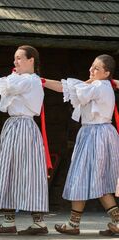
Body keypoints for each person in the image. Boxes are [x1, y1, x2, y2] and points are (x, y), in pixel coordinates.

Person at [0, 45, 49, 235]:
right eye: (15, 58)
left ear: (31, 60)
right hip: (13, 127)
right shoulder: (18, 80)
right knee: (7, 170)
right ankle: (8, 221)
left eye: (19, 58)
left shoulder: (30, 80)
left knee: (28, 173)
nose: (15, 62)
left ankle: (38, 223)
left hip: (25, 127)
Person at [44, 54, 119, 236]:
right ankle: (114, 221)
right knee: (95, 180)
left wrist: (43, 82)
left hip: (95, 134)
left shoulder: (99, 85)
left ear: (106, 73)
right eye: (91, 66)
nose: (91, 70)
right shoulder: (103, 84)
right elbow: (74, 87)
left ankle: (74, 224)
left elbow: (69, 88)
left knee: (83, 176)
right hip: (99, 133)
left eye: (96, 69)